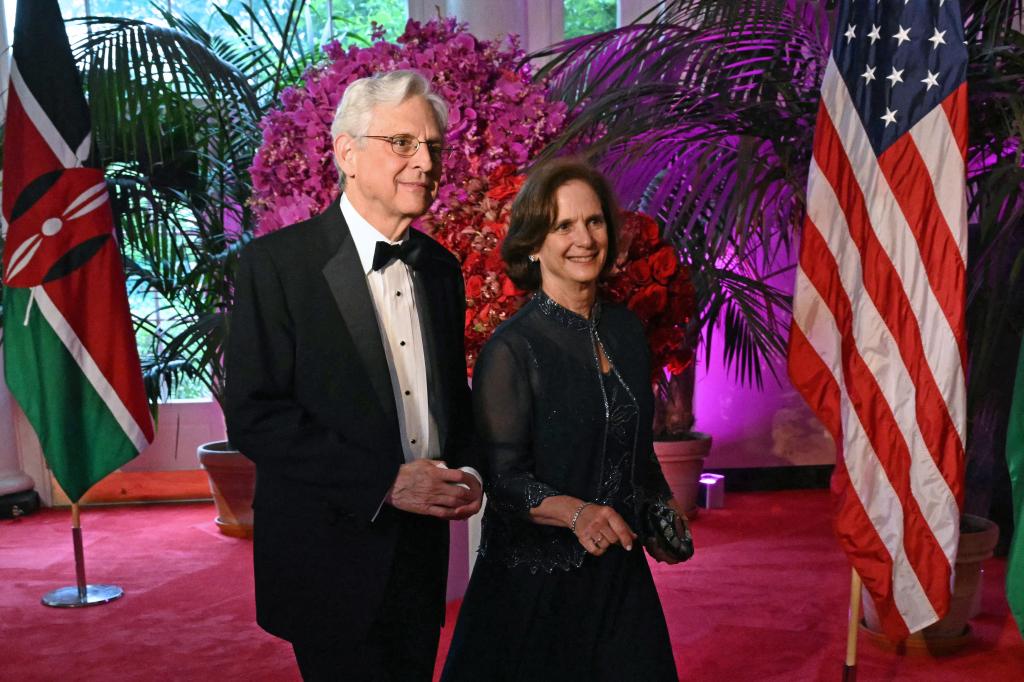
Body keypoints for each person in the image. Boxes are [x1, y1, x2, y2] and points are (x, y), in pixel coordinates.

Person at [224, 70, 483, 682]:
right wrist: (386, 483)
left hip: (421, 557)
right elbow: (256, 415)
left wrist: (469, 471)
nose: (425, 161)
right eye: (403, 143)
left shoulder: (442, 269)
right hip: (327, 557)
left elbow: (450, 403)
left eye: (434, 147)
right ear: (346, 152)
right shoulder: (277, 265)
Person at [441, 159, 687, 682]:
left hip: (619, 577)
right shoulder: (511, 349)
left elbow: (637, 453)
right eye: (563, 226)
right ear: (534, 243)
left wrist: (660, 510)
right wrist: (578, 514)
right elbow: (504, 482)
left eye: (594, 222)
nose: (585, 239)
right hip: (534, 589)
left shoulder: (625, 331)